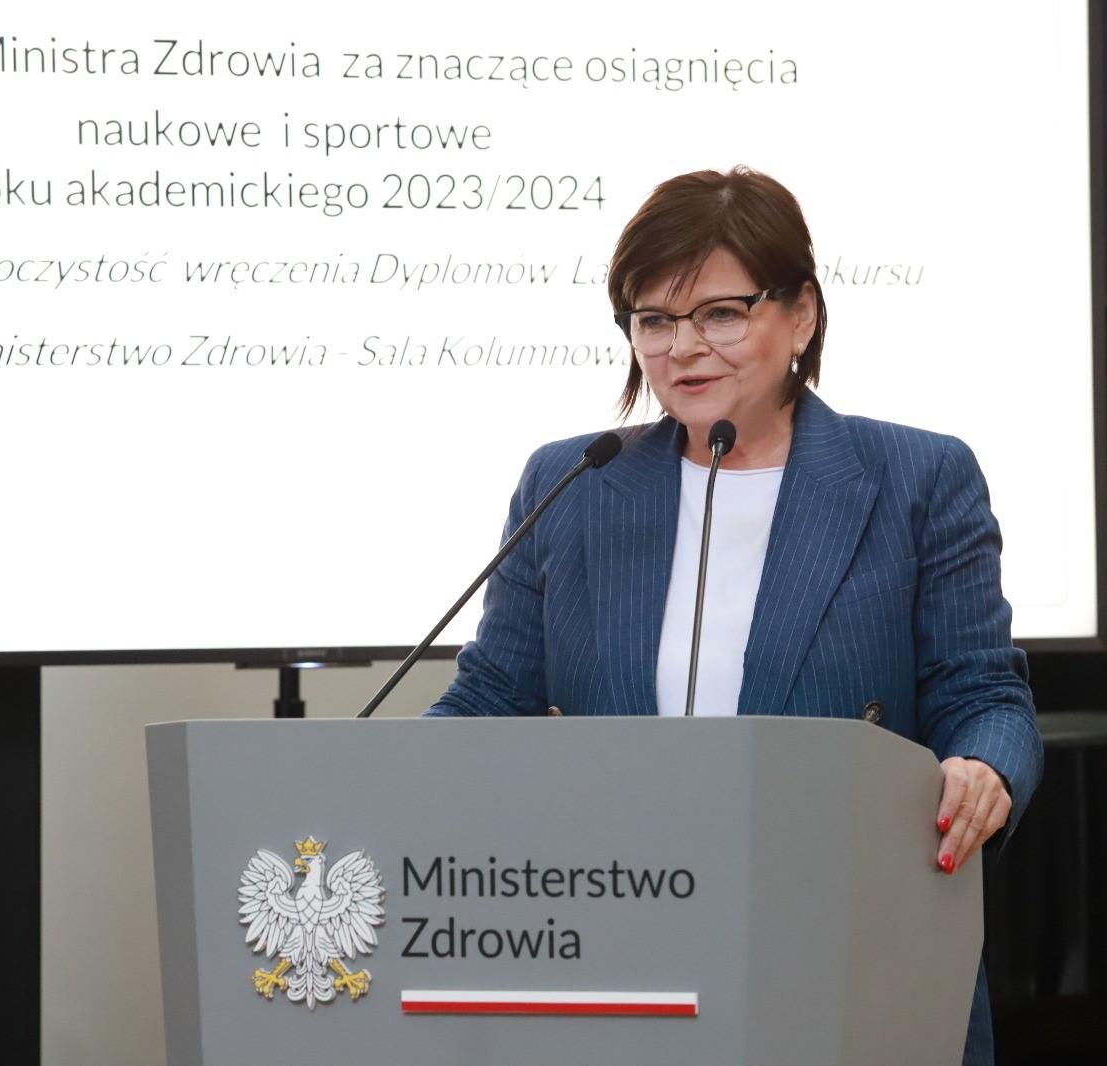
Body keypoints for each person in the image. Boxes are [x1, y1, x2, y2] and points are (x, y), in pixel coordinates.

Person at [424, 166, 1041, 1065]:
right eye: (654, 320)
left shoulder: (918, 478)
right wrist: (372, 788)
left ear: (802, 314)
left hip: (843, 939)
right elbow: (490, 698)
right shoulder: (574, 482)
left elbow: (984, 695)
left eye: (720, 313)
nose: (683, 348)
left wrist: (983, 766)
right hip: (617, 940)